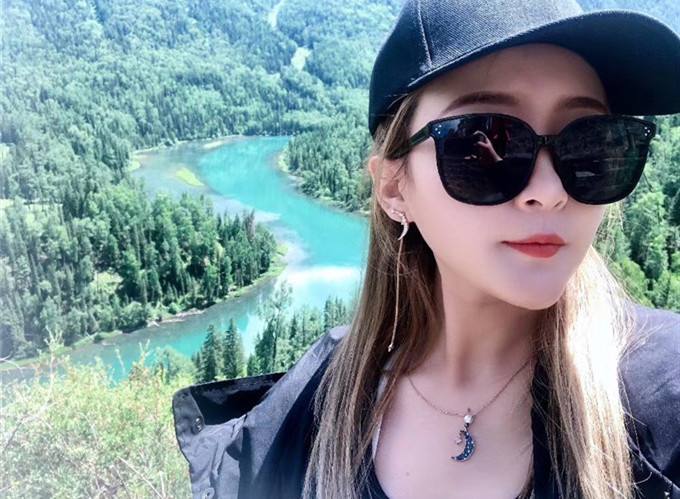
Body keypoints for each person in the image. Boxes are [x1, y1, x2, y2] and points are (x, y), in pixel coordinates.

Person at [172, 0, 680, 498]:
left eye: (591, 144)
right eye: (485, 143)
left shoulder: (665, 394)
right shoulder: (315, 403)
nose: (549, 191)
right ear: (395, 188)